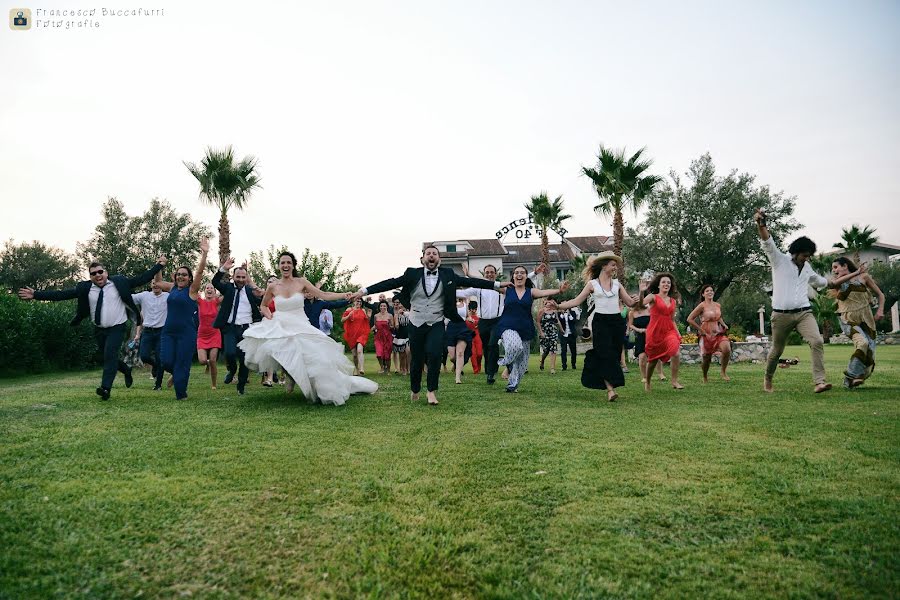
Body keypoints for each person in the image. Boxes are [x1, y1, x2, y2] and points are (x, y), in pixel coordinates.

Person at [354, 245, 505, 405]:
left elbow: (472, 281)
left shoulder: (448, 275)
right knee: (417, 358)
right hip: (416, 322)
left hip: (436, 322)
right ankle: (415, 389)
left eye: (434, 254)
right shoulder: (412, 273)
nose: (431, 256)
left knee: (434, 355)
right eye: (428, 254)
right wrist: (364, 290)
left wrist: (497, 285)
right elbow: (390, 283)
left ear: (439, 260)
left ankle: (431, 392)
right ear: (423, 259)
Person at [18, 256, 166, 400]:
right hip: (100, 329)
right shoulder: (85, 288)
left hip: (117, 327)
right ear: (90, 276)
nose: (97, 275)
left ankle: (105, 388)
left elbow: (142, 278)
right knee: (107, 357)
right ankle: (126, 370)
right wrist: (36, 294)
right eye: (93, 273)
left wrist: (159, 265)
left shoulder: (119, 282)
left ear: (106, 273)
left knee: (109, 355)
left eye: (100, 272)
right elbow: (61, 294)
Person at [238, 251, 377, 404]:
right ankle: (291, 377)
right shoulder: (273, 286)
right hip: (281, 326)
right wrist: (270, 317)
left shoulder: (301, 282)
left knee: (316, 358)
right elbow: (264, 306)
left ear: (293, 265)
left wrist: (344, 295)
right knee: (283, 352)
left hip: (301, 325)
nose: (285, 265)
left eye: (288, 262)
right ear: (279, 266)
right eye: (282, 263)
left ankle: (325, 387)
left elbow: (323, 294)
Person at [755, 209, 831, 393]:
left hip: (804, 313)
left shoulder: (807, 267)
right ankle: (768, 378)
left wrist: (850, 275)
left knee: (817, 341)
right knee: (777, 351)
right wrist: (761, 224)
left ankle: (819, 382)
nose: (807, 258)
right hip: (781, 315)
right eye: (804, 255)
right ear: (796, 253)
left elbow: (822, 282)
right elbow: (767, 241)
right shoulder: (779, 260)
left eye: (809, 256)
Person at [558, 252, 638, 401]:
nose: (615, 267)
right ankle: (610, 390)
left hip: (616, 322)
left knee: (614, 354)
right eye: (613, 264)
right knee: (604, 353)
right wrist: (558, 305)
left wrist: (637, 299)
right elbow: (576, 301)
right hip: (600, 322)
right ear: (604, 265)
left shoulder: (617, 284)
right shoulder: (592, 284)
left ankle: (607, 383)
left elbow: (629, 303)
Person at [495, 266, 569, 393]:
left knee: (523, 364)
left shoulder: (531, 292)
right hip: (508, 326)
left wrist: (559, 290)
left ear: (526, 276)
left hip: (525, 327)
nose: (519, 275)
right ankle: (504, 361)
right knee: (515, 346)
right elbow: (487, 284)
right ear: (512, 276)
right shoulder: (507, 290)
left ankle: (512, 385)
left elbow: (545, 292)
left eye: (522, 273)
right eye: (516, 273)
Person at [153, 239, 209, 400]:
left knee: (182, 364)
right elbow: (157, 281)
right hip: (168, 332)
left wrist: (204, 254)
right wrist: (160, 266)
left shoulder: (192, 291)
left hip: (186, 333)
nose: (181, 277)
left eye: (184, 275)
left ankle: (181, 394)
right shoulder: (171, 288)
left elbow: (199, 272)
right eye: (178, 274)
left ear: (190, 278)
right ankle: (176, 374)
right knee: (166, 361)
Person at [828, 258, 884, 388]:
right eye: (833, 268)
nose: (833, 270)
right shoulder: (839, 282)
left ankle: (853, 380)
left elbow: (881, 295)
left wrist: (880, 310)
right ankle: (852, 375)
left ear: (845, 266)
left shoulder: (864, 277)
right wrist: (855, 272)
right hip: (847, 319)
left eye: (836, 267)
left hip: (867, 319)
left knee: (870, 351)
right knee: (862, 343)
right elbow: (834, 283)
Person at [212, 259, 263, 395]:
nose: (240, 279)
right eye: (238, 277)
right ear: (233, 277)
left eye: (243, 277)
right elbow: (215, 282)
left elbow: (264, 301)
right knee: (229, 353)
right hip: (230, 328)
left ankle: (241, 385)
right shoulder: (228, 288)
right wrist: (223, 268)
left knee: (245, 359)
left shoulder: (250, 291)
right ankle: (232, 370)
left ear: (246, 278)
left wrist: (262, 293)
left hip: (247, 329)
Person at [639, 272, 684, 391]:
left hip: (669, 331)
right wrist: (642, 292)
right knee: (653, 360)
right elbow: (639, 305)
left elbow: (672, 319)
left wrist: (678, 333)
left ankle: (674, 381)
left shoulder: (673, 301)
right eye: (663, 282)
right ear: (658, 285)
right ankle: (647, 382)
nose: (666, 284)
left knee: (676, 353)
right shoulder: (653, 297)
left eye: (668, 282)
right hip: (654, 332)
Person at [687, 284, 732, 383]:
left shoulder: (717, 305)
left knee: (727, 348)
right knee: (706, 359)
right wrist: (701, 330)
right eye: (707, 291)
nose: (710, 292)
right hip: (706, 334)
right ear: (703, 294)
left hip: (718, 332)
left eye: (711, 290)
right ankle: (705, 376)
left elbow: (718, 316)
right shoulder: (702, 306)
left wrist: (724, 324)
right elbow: (690, 319)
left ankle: (723, 372)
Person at [132, 279, 169, 390]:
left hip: (161, 332)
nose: (155, 285)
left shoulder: (167, 296)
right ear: (151, 285)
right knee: (144, 356)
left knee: (160, 358)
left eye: (158, 283)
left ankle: (158, 384)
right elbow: (129, 298)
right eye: (153, 283)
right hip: (147, 331)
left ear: (161, 285)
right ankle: (155, 366)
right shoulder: (144, 296)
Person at [627, 299, 668, 385]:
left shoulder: (648, 309)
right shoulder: (632, 313)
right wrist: (639, 329)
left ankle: (660, 374)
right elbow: (630, 325)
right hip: (640, 336)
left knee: (656, 355)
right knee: (642, 356)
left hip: (652, 334)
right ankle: (644, 377)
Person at [196, 282, 223, 389]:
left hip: (215, 333)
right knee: (202, 361)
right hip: (202, 335)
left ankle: (214, 384)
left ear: (215, 292)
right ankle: (207, 364)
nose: (209, 289)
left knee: (213, 360)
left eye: (212, 288)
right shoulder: (200, 301)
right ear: (204, 291)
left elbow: (228, 293)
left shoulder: (216, 302)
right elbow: (192, 290)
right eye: (207, 288)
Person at [444, 297, 474, 384]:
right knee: (452, 356)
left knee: (460, 353)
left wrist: (470, 319)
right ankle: (456, 364)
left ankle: (457, 378)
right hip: (451, 328)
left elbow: (467, 316)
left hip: (462, 328)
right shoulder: (448, 304)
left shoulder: (465, 305)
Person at [341, 298, 371, 375]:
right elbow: (342, 320)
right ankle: (357, 369)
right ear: (353, 302)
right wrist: (348, 316)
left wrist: (369, 316)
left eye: (360, 301)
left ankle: (362, 368)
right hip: (352, 335)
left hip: (361, 334)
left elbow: (367, 321)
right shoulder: (349, 309)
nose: (359, 303)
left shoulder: (363, 310)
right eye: (357, 301)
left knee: (360, 350)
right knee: (354, 355)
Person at [537, 298, 562, 374]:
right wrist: (541, 332)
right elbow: (538, 322)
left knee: (553, 349)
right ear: (544, 302)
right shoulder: (541, 311)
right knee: (546, 350)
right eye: (547, 301)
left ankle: (552, 368)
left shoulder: (555, 311)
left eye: (550, 301)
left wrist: (562, 330)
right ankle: (542, 361)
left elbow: (557, 321)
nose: (549, 302)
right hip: (545, 332)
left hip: (553, 332)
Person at [373, 300, 394, 374]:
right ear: (379, 307)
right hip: (378, 337)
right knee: (379, 354)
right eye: (381, 306)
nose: (382, 307)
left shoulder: (390, 315)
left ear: (387, 307)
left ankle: (388, 370)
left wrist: (389, 324)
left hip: (387, 336)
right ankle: (382, 367)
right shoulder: (376, 316)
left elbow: (392, 327)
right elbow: (375, 326)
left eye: (384, 306)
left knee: (387, 355)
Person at [392, 298, 411, 375]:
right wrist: (397, 316)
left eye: (402, 306)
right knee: (402, 354)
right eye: (400, 306)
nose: (401, 307)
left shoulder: (409, 313)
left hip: (409, 334)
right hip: (400, 335)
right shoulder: (396, 315)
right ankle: (403, 369)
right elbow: (396, 326)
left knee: (408, 352)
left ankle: (409, 368)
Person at [558, 307, 580, 371]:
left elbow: (574, 321)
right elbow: (558, 321)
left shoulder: (573, 313)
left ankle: (573, 365)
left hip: (571, 335)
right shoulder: (559, 314)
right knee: (563, 351)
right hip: (563, 335)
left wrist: (569, 314)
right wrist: (562, 314)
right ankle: (564, 366)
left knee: (573, 351)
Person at [465, 301, 483, 375]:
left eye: (475, 309)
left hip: (478, 335)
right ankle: (475, 370)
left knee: (479, 354)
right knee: (473, 354)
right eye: (472, 309)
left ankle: (479, 367)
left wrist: (479, 325)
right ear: (469, 309)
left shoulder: (479, 316)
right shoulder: (466, 317)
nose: (474, 311)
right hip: (470, 335)